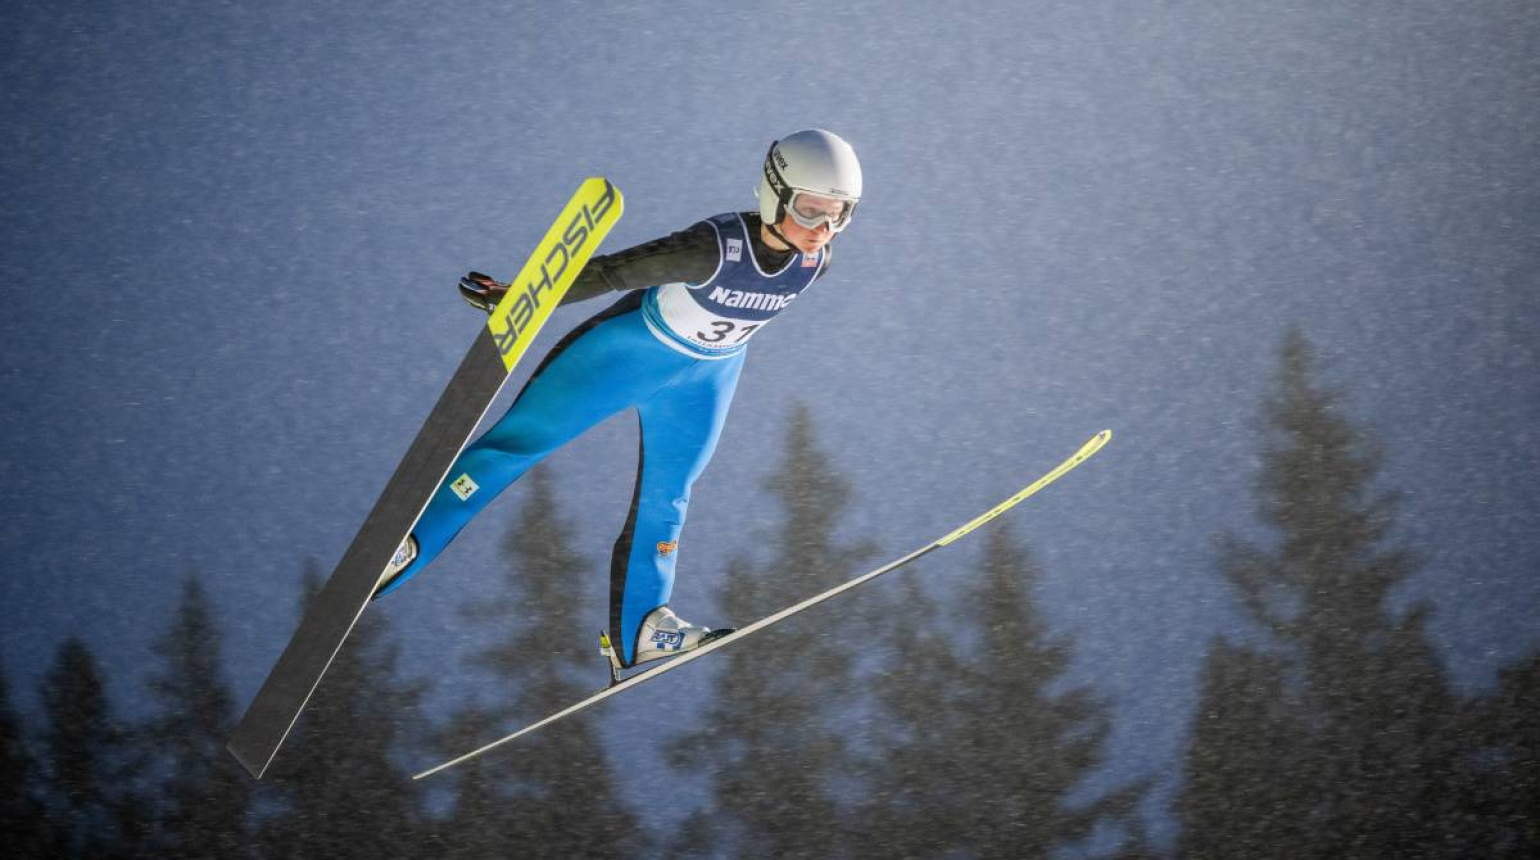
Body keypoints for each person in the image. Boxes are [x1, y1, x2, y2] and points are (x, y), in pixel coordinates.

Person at [372, 129, 862, 670]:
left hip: (707, 379)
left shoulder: (817, 262)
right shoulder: (712, 248)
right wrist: (522, 295)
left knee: (670, 494)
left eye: (840, 214)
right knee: (517, 445)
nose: (823, 228)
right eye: (810, 209)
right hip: (627, 354)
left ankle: (645, 626)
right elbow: (612, 272)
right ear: (774, 192)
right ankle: (407, 546)